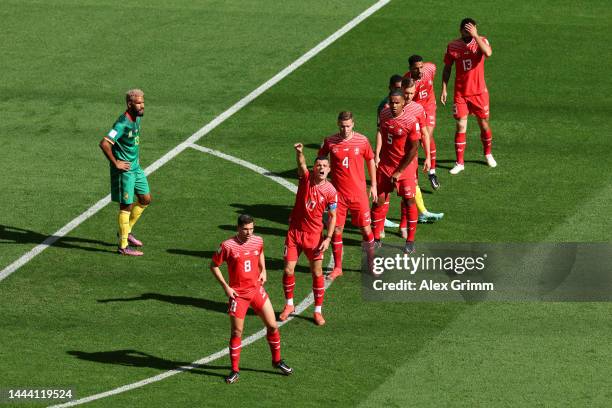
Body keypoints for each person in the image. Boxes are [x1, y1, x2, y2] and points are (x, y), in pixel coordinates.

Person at [210, 214, 293, 384]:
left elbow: (260, 253)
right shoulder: (227, 246)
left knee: (272, 325)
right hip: (238, 295)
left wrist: (263, 270)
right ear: (238, 228)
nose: (249, 232)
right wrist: (226, 287)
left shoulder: (258, 240)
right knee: (236, 332)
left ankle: (277, 361)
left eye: (251, 229)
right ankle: (234, 370)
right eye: (245, 229)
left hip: (256, 290)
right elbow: (214, 265)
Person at [280, 144, 337, 325]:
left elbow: (334, 216)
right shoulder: (305, 179)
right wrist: (299, 153)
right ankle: (289, 304)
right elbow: (302, 164)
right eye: (318, 165)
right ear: (314, 168)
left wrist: (328, 238)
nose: (321, 168)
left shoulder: (330, 191)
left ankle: (317, 311)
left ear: (329, 170)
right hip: (294, 233)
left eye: (324, 166)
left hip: (314, 236)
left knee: (317, 271)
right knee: (288, 269)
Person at [318, 111, 377, 280]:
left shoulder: (362, 141)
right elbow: (320, 160)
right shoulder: (330, 142)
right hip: (338, 196)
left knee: (366, 230)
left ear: (353, 124)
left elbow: (371, 160)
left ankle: (371, 265)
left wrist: (373, 185)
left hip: (359, 195)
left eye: (348, 126)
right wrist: (323, 180)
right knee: (337, 230)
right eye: (342, 126)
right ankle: (337, 268)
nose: (345, 129)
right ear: (338, 125)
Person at [99, 89, 151, 256]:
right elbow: (104, 143)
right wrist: (116, 163)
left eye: (143, 102)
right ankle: (123, 246)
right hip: (125, 171)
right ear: (129, 104)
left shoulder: (136, 118)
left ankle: (126, 231)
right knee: (126, 206)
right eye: (138, 103)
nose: (142, 106)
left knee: (145, 199)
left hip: (136, 168)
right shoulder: (121, 123)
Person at [441, 18, 496, 174]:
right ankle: (459, 162)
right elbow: (447, 68)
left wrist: (476, 36)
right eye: (467, 29)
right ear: (461, 30)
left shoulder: (481, 41)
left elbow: (488, 53)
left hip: (479, 93)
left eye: (473, 28)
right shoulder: (453, 46)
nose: (470, 31)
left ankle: (488, 153)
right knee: (460, 126)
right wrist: (444, 88)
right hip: (461, 94)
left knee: (484, 124)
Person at [371, 90, 420, 254]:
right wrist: (377, 155)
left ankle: (410, 241)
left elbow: (414, 149)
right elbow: (380, 133)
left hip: (404, 168)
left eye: (396, 102)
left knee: (409, 201)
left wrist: (399, 171)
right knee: (379, 201)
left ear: (403, 103)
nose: (393, 105)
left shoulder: (411, 121)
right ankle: (376, 238)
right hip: (385, 165)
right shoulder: (384, 113)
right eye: (391, 102)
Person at [398, 78, 444, 238]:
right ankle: (379, 226)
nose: (409, 96)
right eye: (406, 93)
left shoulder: (418, 109)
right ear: (401, 89)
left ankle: (404, 225)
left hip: (410, 157)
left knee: (408, 191)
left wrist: (428, 159)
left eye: (412, 93)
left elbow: (425, 134)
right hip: (392, 157)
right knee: (385, 195)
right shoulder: (391, 106)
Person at [404, 55, 440, 189]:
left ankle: (432, 172)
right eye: (415, 69)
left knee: (427, 136)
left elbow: (435, 68)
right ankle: (413, 172)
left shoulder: (430, 68)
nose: (419, 71)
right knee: (418, 139)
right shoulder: (407, 81)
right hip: (416, 110)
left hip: (429, 106)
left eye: (421, 67)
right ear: (410, 69)